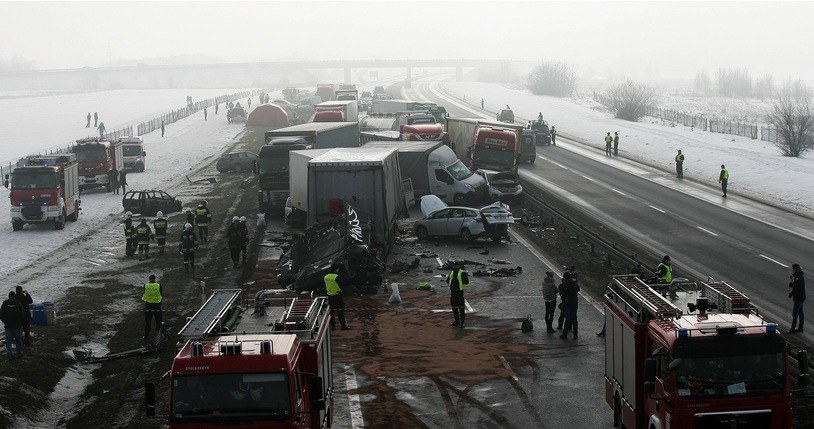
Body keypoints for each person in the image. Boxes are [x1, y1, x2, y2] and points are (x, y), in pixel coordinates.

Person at [1, 291, 25, 361]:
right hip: (17, 326)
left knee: (8, 342)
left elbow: (1, 314)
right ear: (14, 296)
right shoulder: (18, 303)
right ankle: (19, 354)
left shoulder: (5, 303)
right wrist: (19, 321)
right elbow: (22, 313)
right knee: (18, 340)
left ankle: (10, 356)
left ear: (8, 296)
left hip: (8, 326)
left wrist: (5, 321)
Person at [324, 264, 350, 330]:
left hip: (330, 296)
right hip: (337, 295)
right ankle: (343, 326)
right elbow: (342, 286)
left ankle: (332, 327)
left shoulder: (326, 277)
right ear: (336, 269)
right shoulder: (337, 277)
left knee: (331, 312)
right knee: (340, 311)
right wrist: (345, 292)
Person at [447, 262, 469, 328]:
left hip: (459, 293)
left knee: (460, 307)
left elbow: (466, 282)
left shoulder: (462, 273)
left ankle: (462, 322)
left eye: (455, 266)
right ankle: (457, 321)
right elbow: (448, 280)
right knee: (455, 307)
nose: (454, 267)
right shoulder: (452, 273)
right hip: (453, 293)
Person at [559, 272, 580, 339]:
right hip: (574, 303)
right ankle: (575, 334)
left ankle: (565, 334)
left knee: (567, 319)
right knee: (574, 319)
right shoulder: (574, 285)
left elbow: (561, 293)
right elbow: (578, 289)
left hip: (567, 304)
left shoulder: (562, 285)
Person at [142, 275, 163, 341]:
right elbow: (161, 294)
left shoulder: (146, 285)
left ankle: (146, 335)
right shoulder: (158, 286)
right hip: (157, 306)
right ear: (154, 279)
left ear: (149, 279)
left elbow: (144, 293)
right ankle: (159, 334)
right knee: (158, 321)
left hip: (148, 306)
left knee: (148, 321)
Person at [788, 263, 806, 333]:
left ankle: (792, 329)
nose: (792, 270)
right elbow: (792, 285)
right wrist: (792, 280)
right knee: (800, 313)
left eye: (792, 269)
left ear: (795, 269)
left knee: (795, 313)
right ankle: (800, 328)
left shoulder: (798, 277)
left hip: (798, 297)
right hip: (801, 297)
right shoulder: (797, 276)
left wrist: (791, 294)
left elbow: (797, 288)